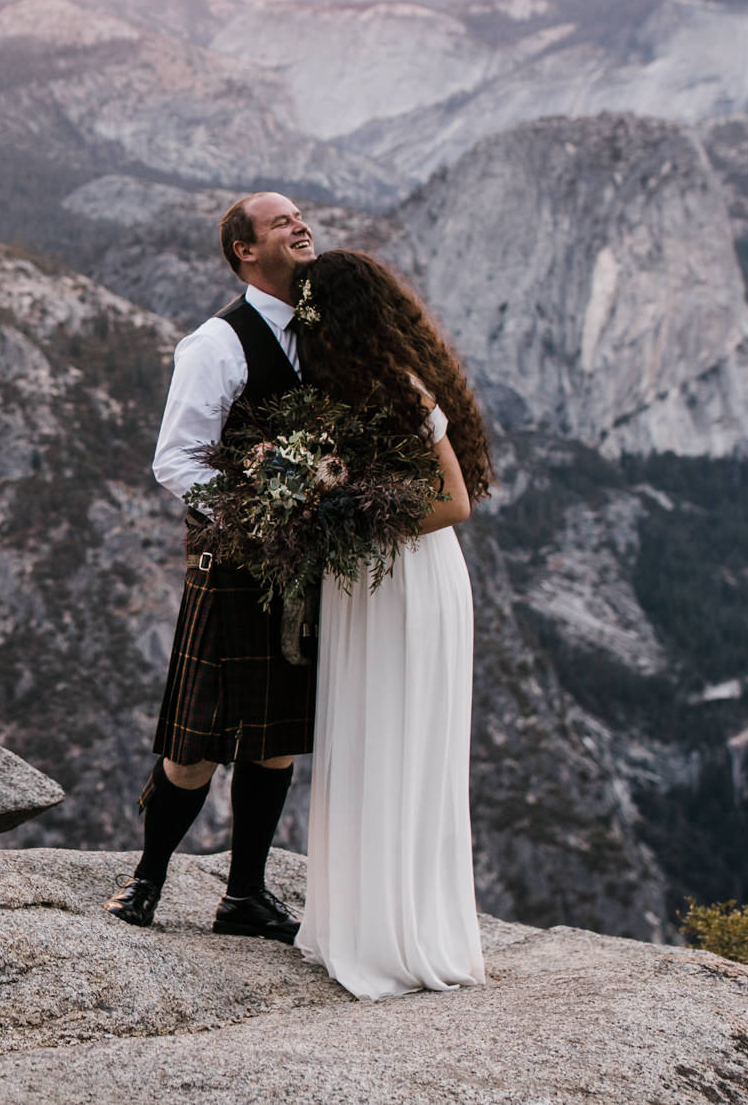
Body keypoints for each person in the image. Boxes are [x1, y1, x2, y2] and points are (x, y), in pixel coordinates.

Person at [103, 192, 317, 943]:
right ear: (245, 252)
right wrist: (264, 502)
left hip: (297, 566)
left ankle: (244, 895)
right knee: (193, 743)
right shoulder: (217, 344)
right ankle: (147, 878)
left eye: (301, 215)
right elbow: (175, 459)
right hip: (231, 559)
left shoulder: (322, 331)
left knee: (276, 735)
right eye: (280, 220)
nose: (300, 223)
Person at [291, 248, 497, 997]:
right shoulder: (343, 384)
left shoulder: (400, 388)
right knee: (362, 733)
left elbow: (452, 501)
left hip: (410, 579)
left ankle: (404, 931)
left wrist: (359, 515)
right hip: (364, 583)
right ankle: (356, 916)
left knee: (402, 738)